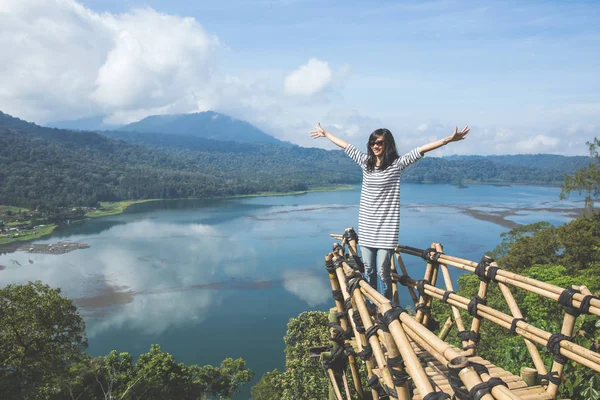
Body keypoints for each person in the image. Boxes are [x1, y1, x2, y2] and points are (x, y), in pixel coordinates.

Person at [310, 123, 470, 300]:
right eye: (372, 143)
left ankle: (385, 305)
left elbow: (421, 150)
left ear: (388, 144)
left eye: (379, 143)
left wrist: (448, 140)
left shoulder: (396, 165)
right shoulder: (366, 163)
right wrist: (326, 133)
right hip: (367, 226)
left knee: (382, 271)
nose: (375, 146)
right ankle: (372, 304)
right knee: (369, 269)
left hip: (387, 228)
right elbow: (346, 145)